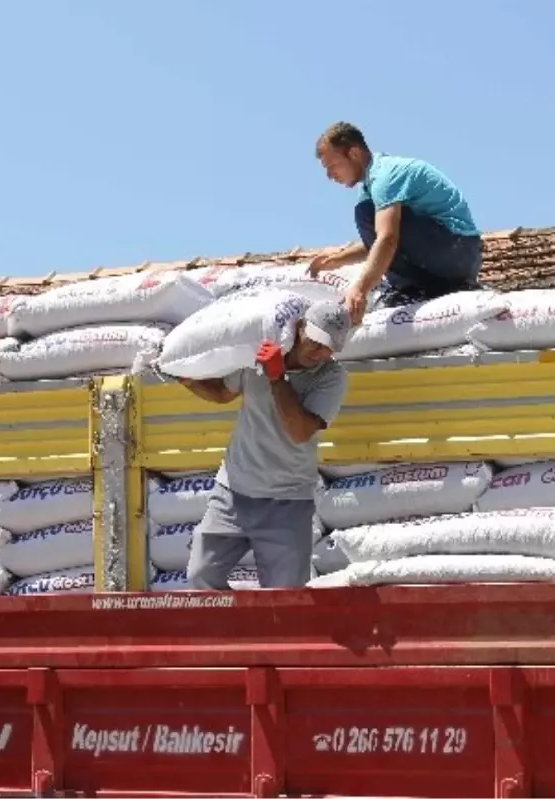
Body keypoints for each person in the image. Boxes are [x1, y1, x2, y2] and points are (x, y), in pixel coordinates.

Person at [179, 301, 353, 590]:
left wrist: (276, 377)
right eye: (316, 342)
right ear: (300, 328)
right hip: (232, 494)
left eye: (329, 348)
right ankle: (238, 633)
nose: (320, 353)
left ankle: (272, 635)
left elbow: (298, 431)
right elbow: (223, 393)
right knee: (201, 577)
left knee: (284, 598)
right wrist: (184, 377)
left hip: (287, 503)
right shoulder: (256, 356)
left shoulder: (331, 377)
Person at [310, 121, 483, 323]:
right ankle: (425, 288)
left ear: (354, 153)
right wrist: (338, 259)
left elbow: (388, 239)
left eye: (332, 166)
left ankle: (410, 291)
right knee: (367, 211)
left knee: (365, 212)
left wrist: (360, 289)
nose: (330, 176)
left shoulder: (385, 176)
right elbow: (381, 244)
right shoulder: (371, 184)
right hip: (454, 254)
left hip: (457, 251)